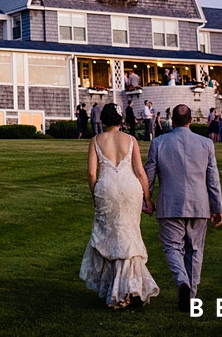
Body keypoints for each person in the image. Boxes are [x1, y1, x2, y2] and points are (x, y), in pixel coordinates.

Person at [143, 104, 222, 313]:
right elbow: (213, 180)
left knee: (172, 248)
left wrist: (146, 200)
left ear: (172, 120)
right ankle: (191, 294)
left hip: (170, 204)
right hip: (199, 205)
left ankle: (182, 283)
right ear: (190, 120)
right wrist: (217, 207)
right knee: (195, 251)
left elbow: (148, 175)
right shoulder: (206, 143)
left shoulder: (159, 143)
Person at [79, 103, 160, 309]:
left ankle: (119, 289)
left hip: (106, 187)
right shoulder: (130, 140)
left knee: (111, 235)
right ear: (120, 120)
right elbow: (140, 172)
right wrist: (148, 199)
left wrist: (94, 193)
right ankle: (130, 287)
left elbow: (91, 173)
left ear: (103, 120)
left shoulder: (96, 140)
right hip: (130, 187)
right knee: (129, 233)